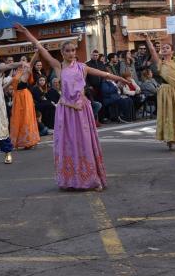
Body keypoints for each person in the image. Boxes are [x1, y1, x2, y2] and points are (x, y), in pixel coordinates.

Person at [15, 23, 131, 190]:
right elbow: (39, 47)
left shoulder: (82, 67)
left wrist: (121, 79)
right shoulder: (58, 66)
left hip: (82, 109)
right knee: (68, 144)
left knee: (84, 143)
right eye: (67, 50)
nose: (71, 53)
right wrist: (26, 32)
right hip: (66, 110)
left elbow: (104, 74)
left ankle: (91, 178)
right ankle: (71, 180)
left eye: (73, 50)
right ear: (62, 53)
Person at [9, 57, 40, 149]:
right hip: (17, 96)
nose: (22, 61)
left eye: (24, 59)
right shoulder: (16, 72)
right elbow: (11, 82)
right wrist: (2, 88)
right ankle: (19, 141)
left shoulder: (27, 71)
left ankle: (29, 141)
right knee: (17, 117)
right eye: (21, 59)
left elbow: (33, 61)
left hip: (24, 96)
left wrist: (37, 53)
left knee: (26, 117)